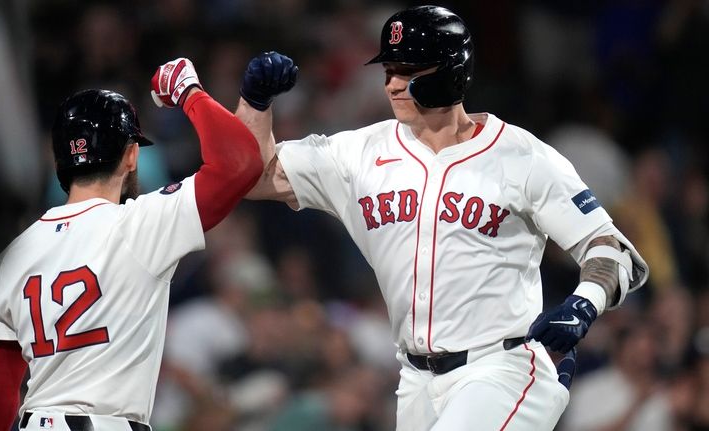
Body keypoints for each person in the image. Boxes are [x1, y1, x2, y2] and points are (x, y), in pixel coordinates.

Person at [234, 5, 649, 431]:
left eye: (407, 70)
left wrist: (584, 304)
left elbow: (611, 247)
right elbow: (253, 178)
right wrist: (254, 104)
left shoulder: (521, 156)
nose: (392, 84)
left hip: (500, 367)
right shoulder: (358, 154)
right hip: (414, 380)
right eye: (388, 70)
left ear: (451, 71)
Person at [0, 57, 262, 431]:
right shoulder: (140, 224)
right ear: (131, 156)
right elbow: (241, 162)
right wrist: (188, 91)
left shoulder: (10, 257)